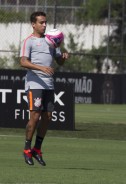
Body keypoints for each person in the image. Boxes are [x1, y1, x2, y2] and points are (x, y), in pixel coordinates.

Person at [20, 11, 69, 166]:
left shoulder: (51, 41)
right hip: (34, 84)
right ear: (33, 24)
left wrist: (63, 58)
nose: (44, 25)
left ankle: (37, 149)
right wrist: (41, 68)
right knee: (35, 116)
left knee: (47, 117)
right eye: (41, 22)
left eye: (45, 22)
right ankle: (27, 149)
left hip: (48, 84)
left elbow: (59, 62)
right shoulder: (29, 41)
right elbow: (23, 62)